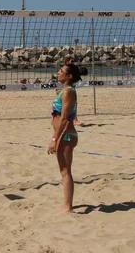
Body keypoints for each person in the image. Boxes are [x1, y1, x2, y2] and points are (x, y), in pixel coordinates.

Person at [47, 63, 82, 212]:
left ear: (69, 76)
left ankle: (68, 206)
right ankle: (67, 204)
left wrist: (54, 139)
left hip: (66, 135)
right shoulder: (66, 91)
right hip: (64, 134)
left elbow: (65, 119)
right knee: (64, 170)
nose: (58, 72)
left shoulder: (68, 92)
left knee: (66, 171)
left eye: (61, 71)